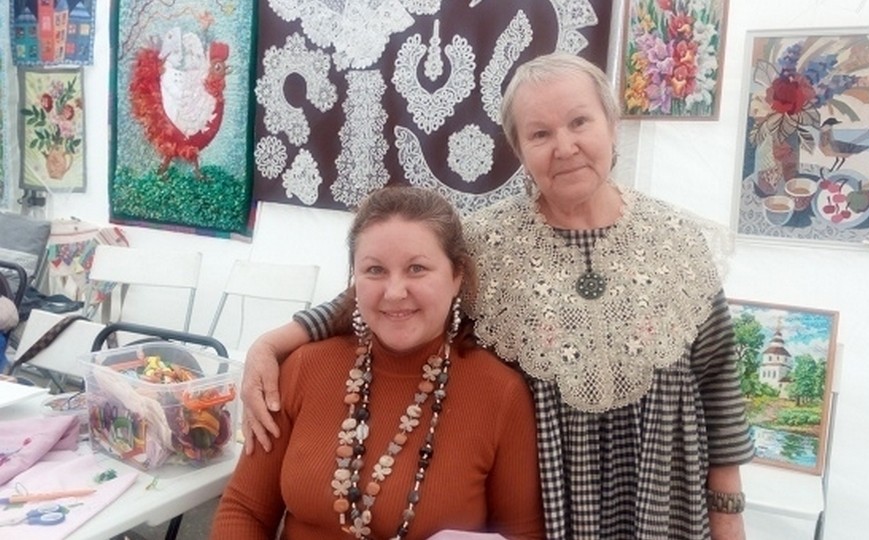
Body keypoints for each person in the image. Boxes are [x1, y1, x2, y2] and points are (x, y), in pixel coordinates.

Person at [240, 52, 753, 540]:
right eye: (540, 133)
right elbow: (386, 293)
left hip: (662, 500)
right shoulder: (488, 244)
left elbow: (719, 382)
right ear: (519, 149)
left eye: (579, 122)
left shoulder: (680, 242)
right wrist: (272, 344)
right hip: (549, 503)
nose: (565, 147)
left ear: (612, 124)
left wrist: (728, 516)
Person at [212, 187, 544, 539]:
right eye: (375, 270)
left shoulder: (500, 394)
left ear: (456, 275)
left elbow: (523, 533)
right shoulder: (302, 369)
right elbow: (244, 510)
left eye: (417, 269)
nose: (395, 292)